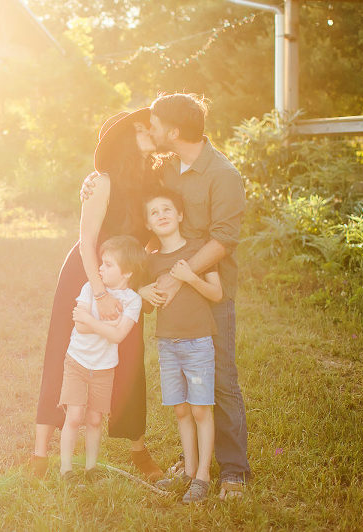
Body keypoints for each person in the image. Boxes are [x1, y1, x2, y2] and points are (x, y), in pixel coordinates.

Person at [82, 93, 251, 499]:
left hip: (208, 287)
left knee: (220, 377)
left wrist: (180, 277)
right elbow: (127, 183)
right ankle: (192, 464)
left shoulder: (223, 175)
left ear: (173, 132)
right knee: (185, 381)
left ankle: (233, 470)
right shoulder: (167, 168)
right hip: (172, 288)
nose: (150, 128)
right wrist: (94, 178)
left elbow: (224, 239)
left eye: (155, 123)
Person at [31, 108, 164, 481]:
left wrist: (139, 280)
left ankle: (138, 449)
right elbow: (86, 240)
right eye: (143, 128)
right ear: (126, 139)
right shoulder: (103, 183)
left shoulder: (155, 182)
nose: (152, 132)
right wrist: (101, 293)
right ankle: (39, 453)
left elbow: (154, 237)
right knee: (63, 354)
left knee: (130, 357)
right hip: (86, 274)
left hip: (126, 278)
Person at [138, 189, 222, 503]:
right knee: (181, 410)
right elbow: (147, 305)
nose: (161, 215)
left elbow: (216, 294)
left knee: (200, 409)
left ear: (180, 214)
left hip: (198, 342)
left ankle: (203, 476)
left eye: (167, 209)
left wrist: (190, 277)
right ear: (148, 224)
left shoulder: (198, 249)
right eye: (154, 212)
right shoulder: (151, 261)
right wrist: (142, 291)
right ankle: (188, 472)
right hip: (167, 345)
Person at [60, 236, 146, 482]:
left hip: (104, 367)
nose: (100, 268)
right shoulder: (90, 288)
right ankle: (66, 469)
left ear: (127, 272)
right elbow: (80, 326)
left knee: (95, 419)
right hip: (77, 361)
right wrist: (105, 326)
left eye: (108, 265)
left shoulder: (133, 300)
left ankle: (91, 469)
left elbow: (117, 336)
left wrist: (90, 320)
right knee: (74, 416)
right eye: (102, 262)